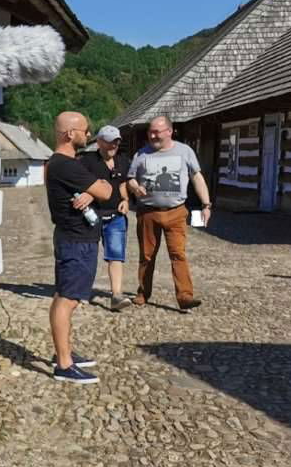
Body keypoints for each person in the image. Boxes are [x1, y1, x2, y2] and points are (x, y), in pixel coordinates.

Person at [45, 112, 112, 384]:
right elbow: (107, 192)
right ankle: (63, 364)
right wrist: (97, 189)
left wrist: (94, 189)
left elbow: (108, 183)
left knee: (65, 295)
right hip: (76, 241)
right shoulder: (65, 165)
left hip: (73, 238)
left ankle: (64, 352)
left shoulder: (66, 164)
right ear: (69, 134)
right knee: (68, 299)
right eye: (85, 130)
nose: (88, 135)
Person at [126, 115, 212, 310]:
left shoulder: (185, 151)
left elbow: (197, 178)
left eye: (157, 132)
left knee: (178, 254)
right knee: (146, 256)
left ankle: (185, 297)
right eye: (150, 132)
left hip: (176, 212)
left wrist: (206, 205)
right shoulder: (141, 154)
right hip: (148, 212)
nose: (153, 135)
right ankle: (142, 293)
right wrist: (135, 188)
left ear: (169, 131)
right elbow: (130, 178)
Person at [78, 125, 132, 311]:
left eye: (116, 141)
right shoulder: (86, 161)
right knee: (87, 254)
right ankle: (81, 292)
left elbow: (123, 183)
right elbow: (78, 184)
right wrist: (88, 195)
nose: (113, 145)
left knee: (116, 255)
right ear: (99, 142)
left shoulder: (123, 160)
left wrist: (126, 200)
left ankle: (116, 295)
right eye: (109, 142)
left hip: (116, 216)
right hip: (92, 215)